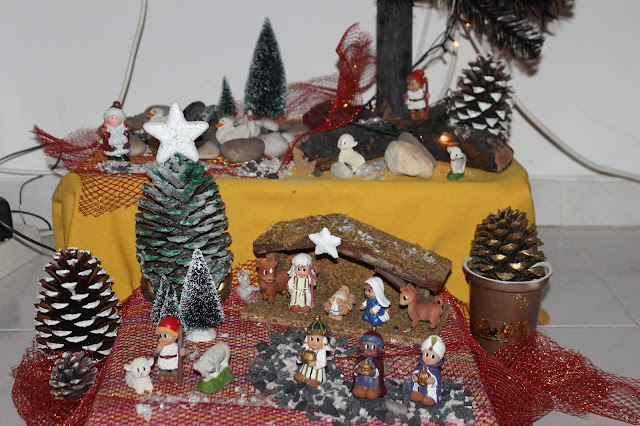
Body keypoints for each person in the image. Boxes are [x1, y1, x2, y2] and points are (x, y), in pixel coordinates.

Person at [294, 316, 330, 387]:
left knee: (311, 382)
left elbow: (323, 363)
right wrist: (300, 359)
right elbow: (303, 355)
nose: (313, 343)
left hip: (316, 372)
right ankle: (304, 376)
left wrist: (315, 363)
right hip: (305, 369)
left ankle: (315, 380)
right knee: (297, 377)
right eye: (311, 339)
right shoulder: (307, 348)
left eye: (317, 340)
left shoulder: (321, 352)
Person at [350, 328, 386, 399]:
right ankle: (360, 388)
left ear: (379, 349)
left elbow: (379, 371)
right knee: (358, 391)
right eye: (367, 347)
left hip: (373, 384)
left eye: (373, 347)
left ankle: (374, 390)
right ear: (361, 347)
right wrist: (357, 371)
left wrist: (373, 373)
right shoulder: (361, 361)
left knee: (371, 394)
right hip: (361, 382)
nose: (369, 351)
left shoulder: (376, 362)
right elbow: (355, 369)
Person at [409, 335, 446, 405]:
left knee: (430, 391)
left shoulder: (434, 370)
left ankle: (430, 397)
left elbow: (437, 379)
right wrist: (414, 376)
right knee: (416, 390)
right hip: (420, 386)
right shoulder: (421, 366)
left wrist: (432, 381)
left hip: (430, 389)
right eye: (426, 354)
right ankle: (418, 394)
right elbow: (416, 371)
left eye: (433, 356)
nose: (428, 358)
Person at [153, 316, 188, 383]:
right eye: (160, 336)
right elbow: (154, 355)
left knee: (173, 377)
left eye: (165, 336)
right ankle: (164, 373)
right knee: (162, 378)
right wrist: (158, 350)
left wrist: (183, 353)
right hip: (164, 364)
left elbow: (184, 354)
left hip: (174, 364)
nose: (162, 339)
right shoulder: (160, 346)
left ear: (175, 336)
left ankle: (174, 374)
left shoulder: (176, 346)